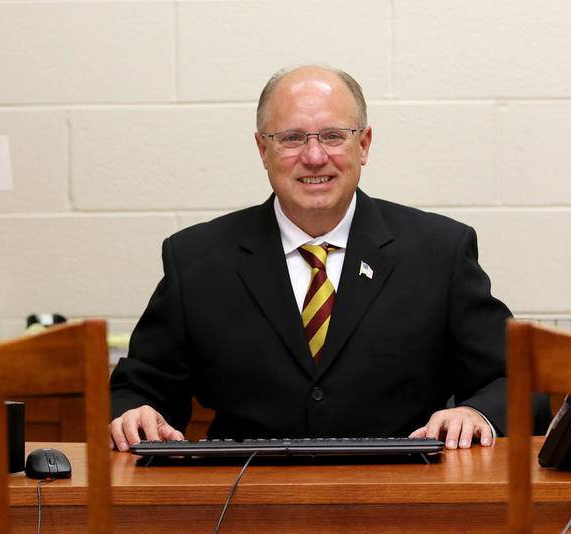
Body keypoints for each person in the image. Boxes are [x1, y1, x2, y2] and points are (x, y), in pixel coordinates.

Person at [109, 65, 547, 452]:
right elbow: (140, 388)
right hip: (244, 499)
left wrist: (476, 414)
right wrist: (136, 413)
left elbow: (522, 382)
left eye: (334, 136)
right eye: (292, 138)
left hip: (406, 496)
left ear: (364, 145)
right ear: (263, 150)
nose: (314, 156)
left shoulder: (439, 251)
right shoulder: (197, 259)